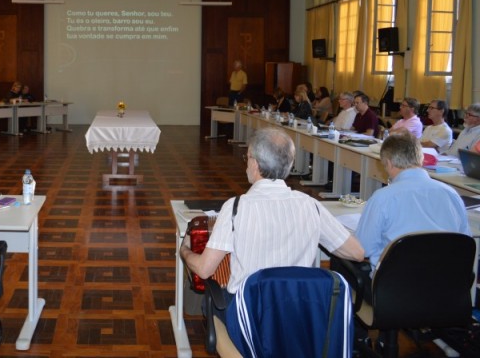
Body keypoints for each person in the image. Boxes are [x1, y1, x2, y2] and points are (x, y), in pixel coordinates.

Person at [180, 127, 364, 317]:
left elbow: (203, 270)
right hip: (298, 315)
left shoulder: (235, 208)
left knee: (210, 303)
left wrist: (184, 251)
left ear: (255, 164)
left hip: (249, 317)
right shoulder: (311, 206)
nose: (246, 164)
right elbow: (357, 253)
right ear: (290, 164)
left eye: (248, 158)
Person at [348, 131, 469, 296]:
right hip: (445, 290)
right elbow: (464, 242)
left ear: (389, 163)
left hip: (394, 292)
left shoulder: (383, 198)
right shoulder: (451, 194)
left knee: (343, 265)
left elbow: (364, 249)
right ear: (420, 158)